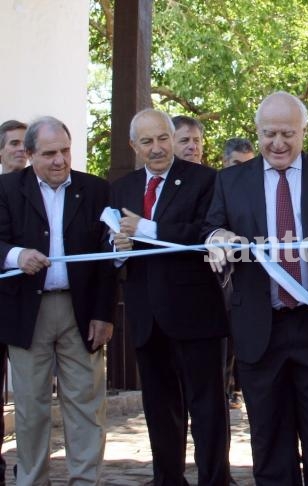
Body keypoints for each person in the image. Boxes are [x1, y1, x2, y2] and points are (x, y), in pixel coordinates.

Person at [203, 91, 308, 486]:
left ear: (303, 132)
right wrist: (216, 235)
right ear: (257, 131)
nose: (277, 143)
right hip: (259, 327)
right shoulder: (230, 181)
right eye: (269, 133)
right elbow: (208, 228)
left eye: (287, 133)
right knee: (269, 441)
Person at [111, 109, 231, 485]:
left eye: (163, 138)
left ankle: (215, 479)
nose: (157, 148)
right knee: (160, 409)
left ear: (172, 136)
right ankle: (167, 479)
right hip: (147, 317)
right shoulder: (122, 188)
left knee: (208, 407)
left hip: (197, 314)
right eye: (147, 142)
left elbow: (204, 234)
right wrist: (119, 247)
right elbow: (112, 246)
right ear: (135, 146)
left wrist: (147, 228)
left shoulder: (206, 180)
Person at [0, 116, 116, 485]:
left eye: (65, 150)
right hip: (25, 312)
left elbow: (106, 258)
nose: (59, 160)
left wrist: (104, 313)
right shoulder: (5, 189)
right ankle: (32, 480)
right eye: (49, 153)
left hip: (80, 311)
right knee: (31, 408)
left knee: (86, 404)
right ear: (29, 154)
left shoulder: (96, 190)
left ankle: (85, 480)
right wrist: (16, 255)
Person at [0, 118, 28, 483]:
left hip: (27, 308)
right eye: (13, 145)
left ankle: (29, 461)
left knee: (30, 398)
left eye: (26, 144)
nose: (20, 150)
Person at [220, 137, 255, 410]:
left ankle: (238, 388)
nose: (242, 171)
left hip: (247, 281)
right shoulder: (218, 188)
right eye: (235, 164)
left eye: (248, 165)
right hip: (217, 280)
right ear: (224, 163)